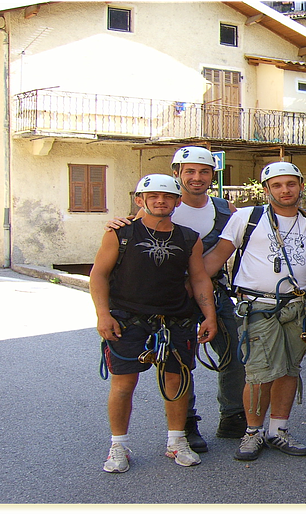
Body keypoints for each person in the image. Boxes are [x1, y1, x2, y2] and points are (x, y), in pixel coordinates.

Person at [105, 146, 247, 453]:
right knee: (179, 362)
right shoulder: (160, 203)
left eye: (204, 171)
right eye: (190, 172)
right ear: (177, 175)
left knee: (234, 352)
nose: (197, 178)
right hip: (169, 300)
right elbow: (131, 237)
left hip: (213, 291)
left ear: (213, 175)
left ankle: (233, 414)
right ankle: (187, 423)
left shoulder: (226, 210)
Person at [203, 161, 306, 461]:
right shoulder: (246, 218)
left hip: (299, 308)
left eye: (291, 183)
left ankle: (278, 430)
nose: (285, 190)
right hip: (258, 307)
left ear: (301, 186)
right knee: (259, 374)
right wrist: (189, 293)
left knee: (289, 370)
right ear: (265, 190)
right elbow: (215, 259)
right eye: (276, 185)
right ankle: (253, 432)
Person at [90, 174, 217, 473]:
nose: (161, 201)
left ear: (177, 201)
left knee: (176, 380)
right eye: (154, 196)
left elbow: (199, 278)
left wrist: (209, 315)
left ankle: (176, 441)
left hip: (175, 318)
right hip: (127, 319)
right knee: (123, 384)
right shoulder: (120, 233)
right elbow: (98, 275)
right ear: (140, 200)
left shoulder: (189, 238)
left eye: (168, 196)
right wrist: (102, 314)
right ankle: (118, 445)